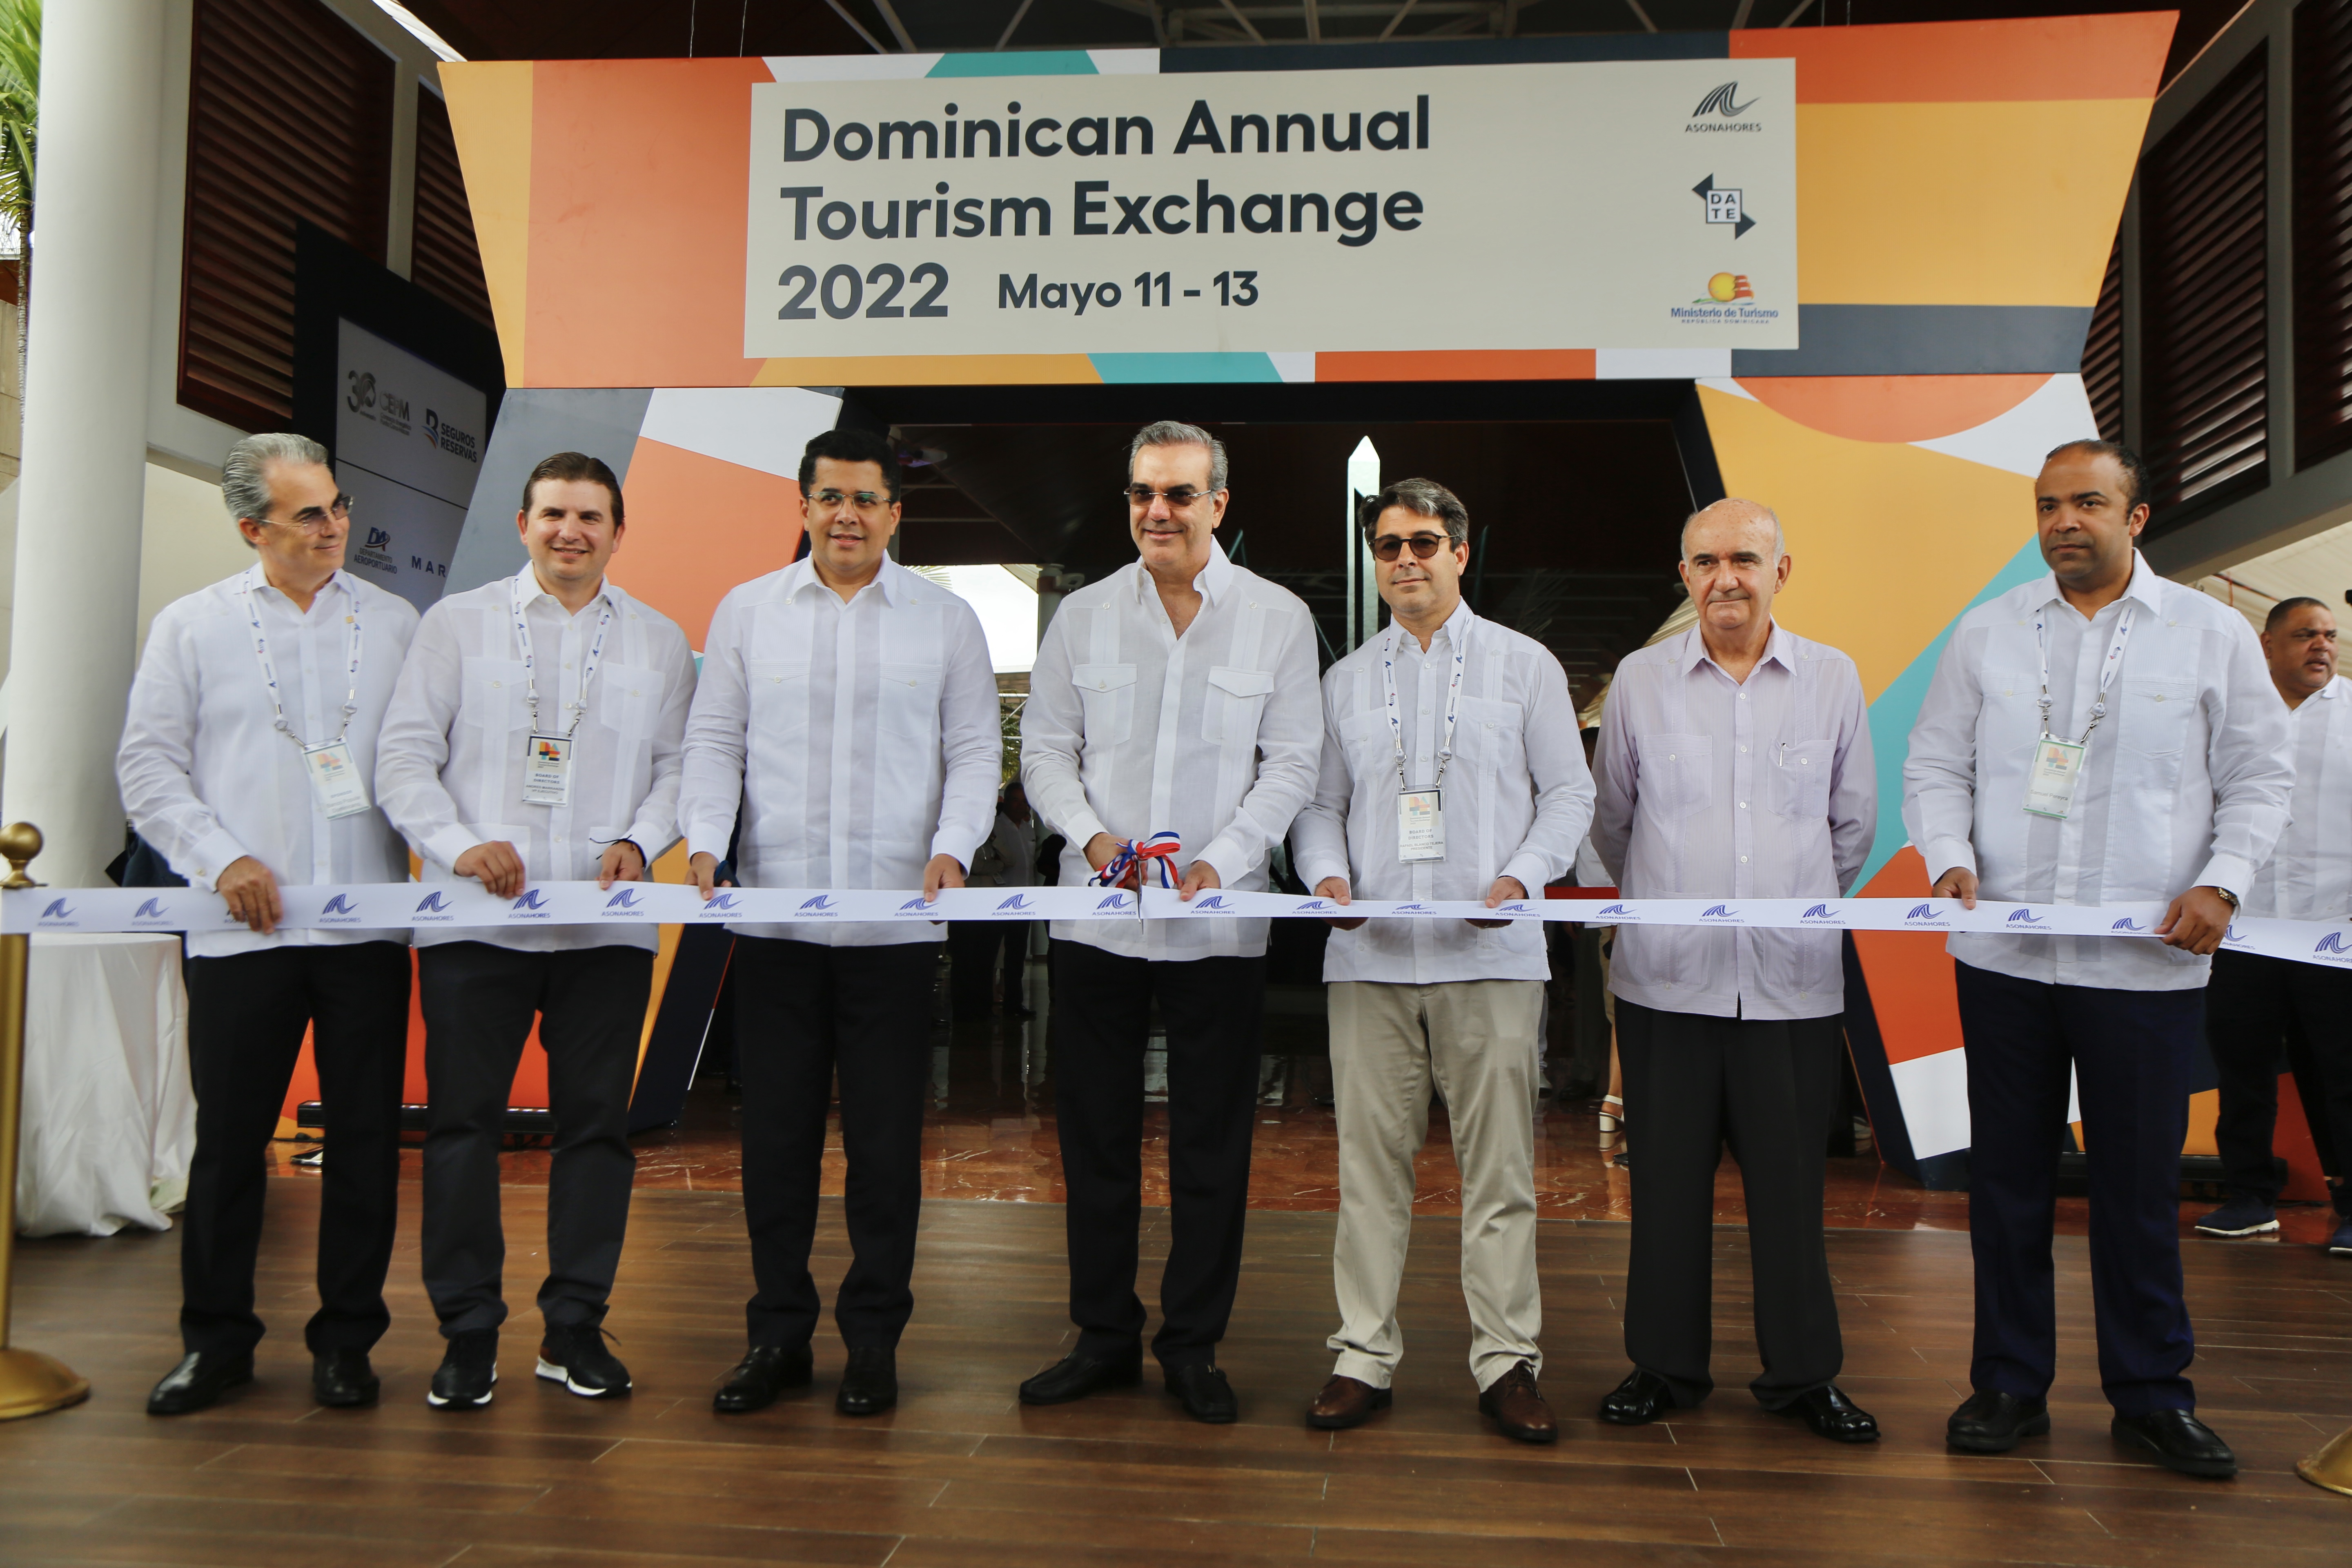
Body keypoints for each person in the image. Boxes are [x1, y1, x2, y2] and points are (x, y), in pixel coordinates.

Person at [1903, 439, 2293, 1479]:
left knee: (2136, 1191)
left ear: (2136, 515)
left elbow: (2260, 776)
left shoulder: (2209, 634)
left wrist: (2223, 882)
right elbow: (1934, 762)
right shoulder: (1987, 631)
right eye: (2046, 506)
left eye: (2086, 502)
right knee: (2006, 1185)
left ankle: (2152, 1395)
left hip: (2145, 967)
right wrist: (1946, 856)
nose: (2062, 521)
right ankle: (2006, 1383)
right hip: (2004, 957)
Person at [681, 427, 998, 1419]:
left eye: (866, 499)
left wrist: (954, 844)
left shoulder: (946, 621)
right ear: (804, 505)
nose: (847, 515)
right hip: (774, 924)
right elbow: (714, 741)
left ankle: (872, 1343)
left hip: (896, 931)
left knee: (884, 1151)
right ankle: (776, 1336)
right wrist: (705, 841)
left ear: (895, 513)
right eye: (830, 497)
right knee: (774, 1146)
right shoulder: (747, 612)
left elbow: (974, 752)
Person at [376, 451, 696, 1410]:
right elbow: (403, 759)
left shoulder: (657, 640)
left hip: (606, 926)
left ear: (618, 532)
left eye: (591, 516)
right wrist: (458, 846)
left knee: (596, 1131)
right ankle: (468, 1333)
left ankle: (574, 1328)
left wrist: (640, 845)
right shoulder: (456, 625)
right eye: (554, 513)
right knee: (462, 1130)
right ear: (523, 525)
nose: (571, 531)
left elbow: (681, 769)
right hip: (477, 924)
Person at [1017, 419, 1321, 1423]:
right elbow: (1044, 751)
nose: (1158, 511)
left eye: (1179, 494)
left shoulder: (1277, 619)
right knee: (1094, 1141)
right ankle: (1101, 1337)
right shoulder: (1083, 616)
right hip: (1096, 919)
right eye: (1143, 493)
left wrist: (1220, 861)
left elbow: (1292, 764)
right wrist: (1094, 840)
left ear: (1217, 504)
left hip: (1216, 927)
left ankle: (1192, 1345)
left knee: (1211, 1146)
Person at [120, 433, 420, 1416]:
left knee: (365, 1141)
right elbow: (147, 768)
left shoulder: (396, 621)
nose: (333, 527)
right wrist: (221, 858)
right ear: (253, 529)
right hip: (242, 931)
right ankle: (215, 1344)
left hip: (366, 930)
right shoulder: (191, 626)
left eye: (337, 505)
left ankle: (348, 1342)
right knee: (229, 1143)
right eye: (308, 514)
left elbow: (426, 758)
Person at [1288, 479, 1593, 1441]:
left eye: (1423, 541)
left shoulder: (1524, 665)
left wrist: (1521, 877)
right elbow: (1318, 806)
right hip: (1369, 957)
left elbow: (1569, 794)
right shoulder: (1344, 681)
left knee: (1499, 1174)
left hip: (1492, 954)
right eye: (1388, 545)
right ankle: (1361, 1356)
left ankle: (1506, 1361)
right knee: (1367, 1172)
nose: (1406, 559)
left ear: (1460, 553)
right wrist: (1326, 876)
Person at [1590, 497, 1880, 1444]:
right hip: (1667, 983)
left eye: (1745, 560)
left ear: (1779, 572)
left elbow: (1851, 828)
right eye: (1706, 561)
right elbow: (1613, 821)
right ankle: (1663, 1367)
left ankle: (1802, 1376)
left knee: (1791, 1193)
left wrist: (1786, 904)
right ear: (1683, 575)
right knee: (1665, 1187)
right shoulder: (1639, 683)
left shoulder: (1832, 678)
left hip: (1790, 987)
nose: (1726, 578)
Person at [2198, 597, 2352, 1254]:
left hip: (2335, 930)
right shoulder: (2231, 714)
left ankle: (2351, 1207)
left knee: (2344, 1074)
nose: (2322, 646)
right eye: (2305, 635)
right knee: (2243, 1071)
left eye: (2330, 635)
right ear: (2266, 645)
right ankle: (2250, 1198)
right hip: (2243, 928)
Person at [950, 779, 1038, 1020]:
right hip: (997, 902)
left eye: (1024, 802)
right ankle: (982, 1005)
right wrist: (998, 861)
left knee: (1017, 956)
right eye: (1015, 801)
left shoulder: (1029, 830)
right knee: (987, 956)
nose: (1020, 806)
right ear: (1005, 802)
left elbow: (1024, 863)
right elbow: (986, 864)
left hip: (1026, 901)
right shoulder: (995, 827)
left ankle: (1014, 1003)